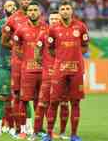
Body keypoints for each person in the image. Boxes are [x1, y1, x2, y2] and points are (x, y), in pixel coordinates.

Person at [43, 1, 89, 141]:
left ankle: (74, 134)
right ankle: (49, 134)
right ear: (59, 11)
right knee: (54, 102)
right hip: (59, 70)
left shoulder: (81, 27)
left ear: (72, 10)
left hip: (76, 70)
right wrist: (62, 58)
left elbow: (85, 46)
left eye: (67, 8)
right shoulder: (53, 29)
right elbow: (50, 49)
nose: (65, 11)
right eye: (62, 9)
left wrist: (74, 57)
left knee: (75, 102)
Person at [32, 10, 69, 140]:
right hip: (48, 75)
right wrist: (45, 65)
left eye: (56, 19)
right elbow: (37, 53)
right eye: (51, 19)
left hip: (63, 74)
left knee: (64, 103)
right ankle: (36, 132)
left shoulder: (66, 34)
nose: (53, 21)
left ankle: (63, 132)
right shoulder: (44, 34)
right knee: (42, 104)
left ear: (60, 20)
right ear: (49, 20)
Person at [13, 1, 47, 137]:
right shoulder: (21, 29)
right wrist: (27, 59)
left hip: (43, 71)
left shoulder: (46, 28)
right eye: (30, 10)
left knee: (41, 101)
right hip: (27, 71)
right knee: (24, 100)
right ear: (27, 13)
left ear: (39, 12)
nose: (33, 12)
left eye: (35, 10)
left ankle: (38, 129)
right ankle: (23, 130)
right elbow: (16, 48)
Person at [1, 0, 32, 138]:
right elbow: (4, 41)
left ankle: (34, 128)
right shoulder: (13, 19)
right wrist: (17, 47)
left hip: (35, 63)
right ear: (19, 1)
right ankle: (19, 128)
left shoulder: (35, 16)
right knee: (18, 95)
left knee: (38, 96)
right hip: (19, 63)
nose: (26, 1)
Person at [0, 0, 17, 137]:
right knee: (1, 96)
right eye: (8, 5)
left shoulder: (23, 24)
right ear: (4, 8)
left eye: (13, 5)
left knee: (22, 98)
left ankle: (23, 128)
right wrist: (0, 59)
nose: (10, 8)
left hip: (20, 66)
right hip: (4, 65)